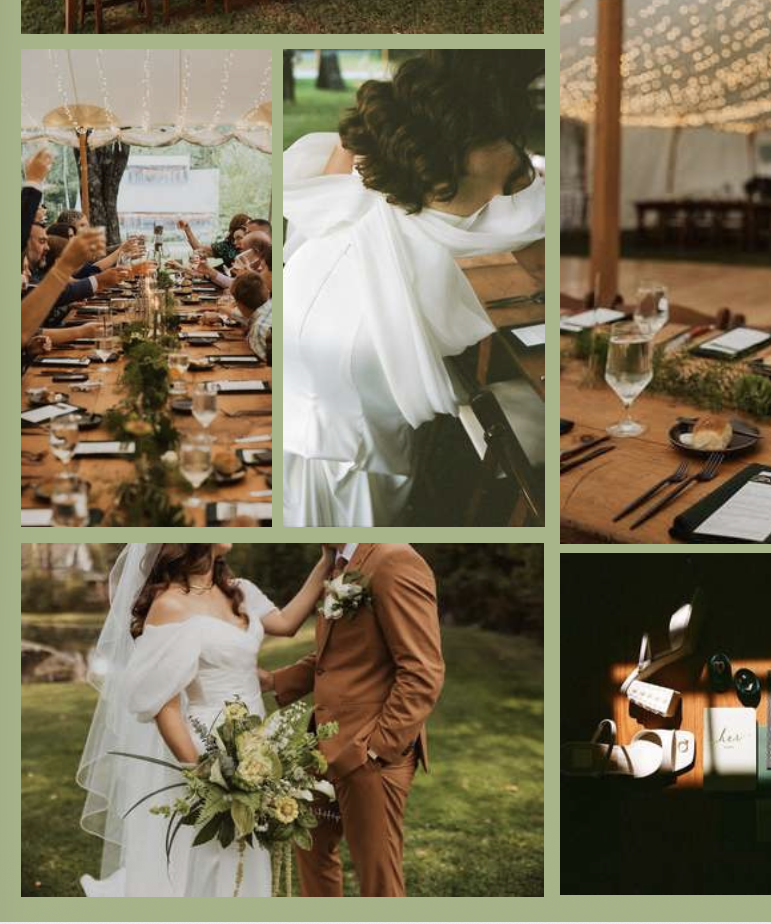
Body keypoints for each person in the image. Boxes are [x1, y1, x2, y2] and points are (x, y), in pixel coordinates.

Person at [281, 53, 544, 526]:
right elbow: (542, 260)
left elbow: (338, 166)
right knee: (361, 474)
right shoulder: (504, 159)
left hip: (311, 280)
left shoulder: (391, 120)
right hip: (374, 331)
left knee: (299, 438)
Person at [77, 543, 334, 897]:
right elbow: (163, 706)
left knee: (247, 850)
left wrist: (326, 561)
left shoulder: (239, 589)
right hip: (204, 745)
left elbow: (287, 623)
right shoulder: (169, 605)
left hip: (258, 743)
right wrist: (199, 774)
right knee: (209, 854)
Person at [258, 542, 446, 897]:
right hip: (324, 745)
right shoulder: (340, 563)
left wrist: (377, 749)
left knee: (377, 877)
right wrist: (275, 681)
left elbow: (423, 670)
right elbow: (339, 656)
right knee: (310, 844)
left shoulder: (394, 560)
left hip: (368, 752)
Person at [230, 270, 273, 363]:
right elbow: (248, 318)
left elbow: (263, 366)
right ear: (268, 292)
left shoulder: (259, 328)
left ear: (239, 305)